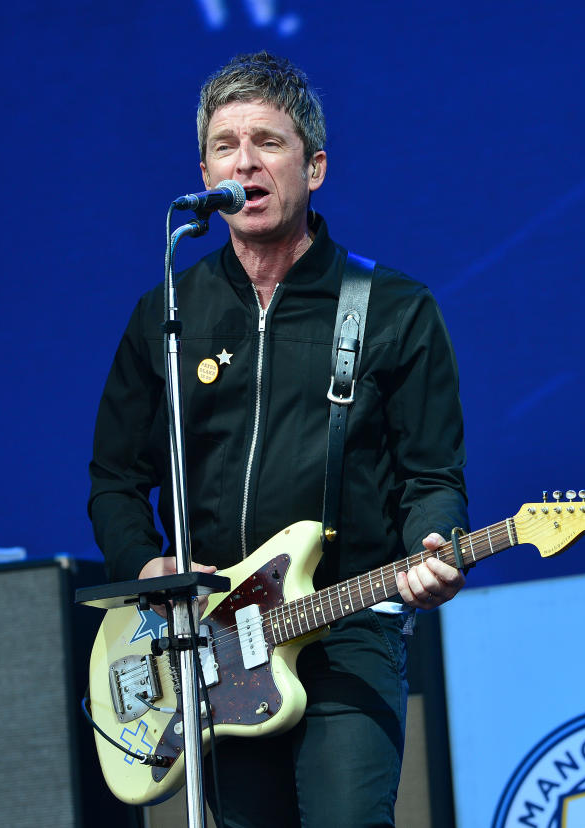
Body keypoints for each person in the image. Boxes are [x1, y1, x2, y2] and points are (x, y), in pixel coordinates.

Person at [88, 51, 468, 827]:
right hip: (212, 645)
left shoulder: (393, 308)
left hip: (347, 625)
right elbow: (115, 481)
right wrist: (150, 565)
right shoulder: (169, 314)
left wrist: (436, 545)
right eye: (226, 145)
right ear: (205, 172)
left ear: (315, 167)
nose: (245, 162)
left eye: (268, 141)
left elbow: (433, 475)